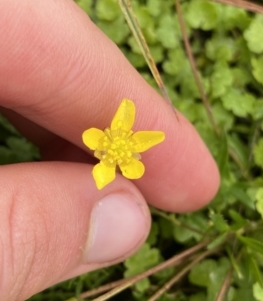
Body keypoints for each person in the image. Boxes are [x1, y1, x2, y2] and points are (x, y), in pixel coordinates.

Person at [0, 1, 220, 300]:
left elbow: (135, 154)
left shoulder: (131, 148)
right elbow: (96, 135)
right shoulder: (100, 140)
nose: (119, 146)